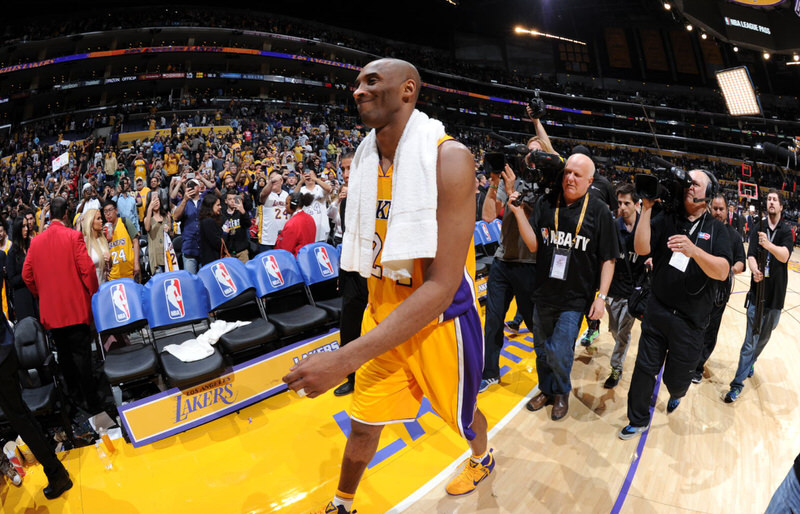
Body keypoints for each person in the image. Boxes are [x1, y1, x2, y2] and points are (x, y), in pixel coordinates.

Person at [283, 59, 490, 514]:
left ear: (408, 91)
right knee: (363, 425)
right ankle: (342, 503)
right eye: (356, 83)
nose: (357, 90)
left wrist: (344, 357)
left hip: (441, 320)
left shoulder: (449, 158)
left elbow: (441, 284)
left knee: (463, 411)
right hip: (384, 312)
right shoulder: (364, 160)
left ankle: (482, 456)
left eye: (371, 81)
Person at [619, 170, 731, 440]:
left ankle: (677, 392)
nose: (689, 187)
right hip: (658, 309)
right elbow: (642, 247)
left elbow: (723, 270)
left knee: (676, 380)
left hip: (691, 321)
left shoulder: (717, 229)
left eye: (696, 184)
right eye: (688, 182)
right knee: (644, 368)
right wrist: (645, 209)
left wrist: (694, 251)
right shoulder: (667, 217)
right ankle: (637, 418)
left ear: (710, 192)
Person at [511, 153, 618, 420]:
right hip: (544, 292)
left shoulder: (599, 211)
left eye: (577, 174)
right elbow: (534, 245)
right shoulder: (547, 203)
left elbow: (609, 258)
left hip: (575, 297)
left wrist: (601, 297)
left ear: (589, 180)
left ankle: (561, 393)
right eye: (567, 172)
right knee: (540, 349)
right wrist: (516, 213)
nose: (569, 178)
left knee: (559, 350)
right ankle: (546, 390)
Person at [22, 197, 101, 412]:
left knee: (64, 358)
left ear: (49, 215)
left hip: (52, 315)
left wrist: (42, 294)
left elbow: (26, 275)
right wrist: (91, 294)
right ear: (66, 214)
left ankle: (74, 400)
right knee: (83, 358)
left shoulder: (36, 242)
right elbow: (88, 271)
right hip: (75, 309)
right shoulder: (73, 236)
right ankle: (92, 403)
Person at [724, 189, 793, 402]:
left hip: (776, 296)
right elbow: (751, 255)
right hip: (757, 293)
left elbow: (784, 256)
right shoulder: (757, 228)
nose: (771, 202)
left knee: (765, 336)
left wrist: (768, 244)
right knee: (749, 341)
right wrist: (754, 270)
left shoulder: (786, 230)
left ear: (781, 206)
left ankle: (751, 361)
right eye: (769, 199)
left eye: (775, 200)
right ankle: (737, 384)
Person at [0, 311, 73, 499]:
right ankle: (56, 472)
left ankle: (56, 472)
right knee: (22, 417)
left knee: (21, 421)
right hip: (5, 349)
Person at [692, 194, 745, 384]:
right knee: (693, 324)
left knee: (710, 330)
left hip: (719, 291)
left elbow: (741, 262)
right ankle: (686, 360)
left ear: (727, 211)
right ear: (709, 208)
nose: (718, 212)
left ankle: (697, 366)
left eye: (721, 209)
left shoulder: (734, 236)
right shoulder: (702, 228)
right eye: (715, 208)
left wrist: (728, 269)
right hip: (697, 285)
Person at [602, 183, 649, 389]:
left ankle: (616, 368)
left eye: (626, 203)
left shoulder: (644, 228)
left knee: (622, 332)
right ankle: (620, 352)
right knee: (614, 329)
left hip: (633, 292)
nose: (621, 206)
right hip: (612, 289)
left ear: (637, 204)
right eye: (619, 202)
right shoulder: (613, 226)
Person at [330, 153, 368, 397]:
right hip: (351, 269)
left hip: (374, 270)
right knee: (349, 325)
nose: (345, 175)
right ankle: (352, 376)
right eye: (342, 169)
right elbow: (348, 228)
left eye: (349, 169)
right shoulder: (345, 199)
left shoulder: (376, 195)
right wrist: (345, 201)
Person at [6, 218, 37, 321]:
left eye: (27, 226)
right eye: (23, 226)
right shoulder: (12, 253)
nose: (26, 229)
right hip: (22, 297)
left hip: (36, 294)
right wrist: (27, 274)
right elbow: (12, 280)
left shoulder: (31, 246)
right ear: (17, 229)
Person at [102, 200, 140, 282]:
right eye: (105, 212)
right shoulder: (104, 230)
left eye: (110, 210)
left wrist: (136, 263)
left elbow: (135, 241)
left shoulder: (124, 221)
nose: (108, 214)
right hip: (114, 275)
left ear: (116, 210)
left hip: (129, 272)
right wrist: (103, 237)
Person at [173, 178, 202, 273]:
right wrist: (185, 200)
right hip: (189, 248)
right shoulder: (182, 202)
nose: (191, 187)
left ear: (199, 188)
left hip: (204, 247)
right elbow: (176, 217)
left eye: (194, 185)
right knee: (191, 282)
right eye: (189, 185)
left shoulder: (205, 201)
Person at [295, 168, 332, 242]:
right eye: (306, 175)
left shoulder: (320, 188)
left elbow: (328, 189)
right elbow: (293, 196)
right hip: (306, 226)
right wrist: (300, 182)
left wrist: (316, 179)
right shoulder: (301, 189)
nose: (309, 177)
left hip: (322, 226)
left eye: (311, 174)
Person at [273, 192, 315, 257]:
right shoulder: (310, 218)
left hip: (295, 262)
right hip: (308, 260)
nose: (285, 206)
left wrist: (279, 237)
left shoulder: (292, 223)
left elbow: (285, 249)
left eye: (287, 203)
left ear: (293, 205)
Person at [80, 208, 111, 285]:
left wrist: (109, 261)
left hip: (104, 287)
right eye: (98, 219)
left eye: (101, 218)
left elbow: (109, 268)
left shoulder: (103, 239)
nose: (101, 221)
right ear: (90, 222)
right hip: (91, 289)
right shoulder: (83, 242)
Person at [198, 193, 230, 267]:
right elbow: (218, 244)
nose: (220, 207)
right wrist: (225, 233)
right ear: (210, 206)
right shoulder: (208, 222)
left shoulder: (209, 220)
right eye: (218, 205)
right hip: (212, 262)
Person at [144, 192, 172, 275]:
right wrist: (149, 209)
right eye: (153, 200)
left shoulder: (166, 217)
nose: (156, 202)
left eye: (157, 200)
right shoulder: (148, 219)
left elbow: (171, 235)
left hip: (167, 256)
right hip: (156, 258)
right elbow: (147, 228)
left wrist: (169, 230)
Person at [222, 189, 252, 263]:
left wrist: (243, 212)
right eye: (230, 199)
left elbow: (248, 224)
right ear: (226, 201)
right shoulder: (222, 215)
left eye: (234, 199)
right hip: (229, 252)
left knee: (244, 272)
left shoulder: (240, 212)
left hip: (242, 251)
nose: (232, 201)